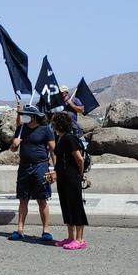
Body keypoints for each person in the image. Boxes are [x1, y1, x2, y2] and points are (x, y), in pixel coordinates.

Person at [9, 104, 56, 241]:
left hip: (42, 167)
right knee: (23, 199)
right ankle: (20, 229)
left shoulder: (45, 130)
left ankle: (46, 231)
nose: (24, 116)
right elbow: (12, 149)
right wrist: (15, 144)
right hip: (24, 168)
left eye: (26, 114)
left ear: (34, 116)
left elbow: (53, 151)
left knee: (43, 199)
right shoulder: (21, 128)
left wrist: (55, 170)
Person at [49, 112, 89, 250]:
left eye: (53, 122)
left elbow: (79, 159)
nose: (52, 124)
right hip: (63, 178)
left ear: (58, 124)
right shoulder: (60, 139)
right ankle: (70, 237)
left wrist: (81, 173)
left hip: (72, 178)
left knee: (76, 206)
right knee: (66, 207)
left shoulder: (69, 138)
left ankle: (80, 239)